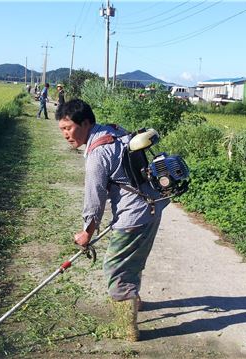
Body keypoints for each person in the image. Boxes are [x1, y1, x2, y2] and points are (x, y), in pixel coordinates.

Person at [56, 99, 169, 341]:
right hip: (152, 206)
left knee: (116, 268)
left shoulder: (97, 154)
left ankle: (126, 329)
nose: (65, 135)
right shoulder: (114, 130)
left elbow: (94, 200)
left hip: (134, 214)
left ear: (86, 123)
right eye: (62, 130)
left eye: (68, 128)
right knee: (132, 260)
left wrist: (87, 232)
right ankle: (134, 301)